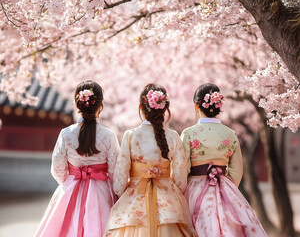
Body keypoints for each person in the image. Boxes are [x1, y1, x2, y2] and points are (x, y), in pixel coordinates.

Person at [104, 84, 196, 237]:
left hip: (135, 196)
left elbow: (120, 178)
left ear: (141, 107)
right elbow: (180, 179)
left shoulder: (130, 135)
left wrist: (122, 192)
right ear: (164, 109)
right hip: (167, 199)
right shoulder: (173, 136)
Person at [34, 80, 119, 237]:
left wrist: (70, 182)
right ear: (100, 105)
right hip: (100, 190)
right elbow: (115, 172)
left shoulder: (66, 133)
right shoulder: (109, 136)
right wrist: (114, 192)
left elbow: (57, 168)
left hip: (71, 186)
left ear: (77, 104)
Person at [182, 83, 268, 237]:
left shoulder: (188, 134)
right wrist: (225, 188)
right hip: (224, 187)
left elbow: (183, 167)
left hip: (195, 186)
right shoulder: (230, 134)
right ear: (219, 105)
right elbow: (237, 170)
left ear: (197, 105)